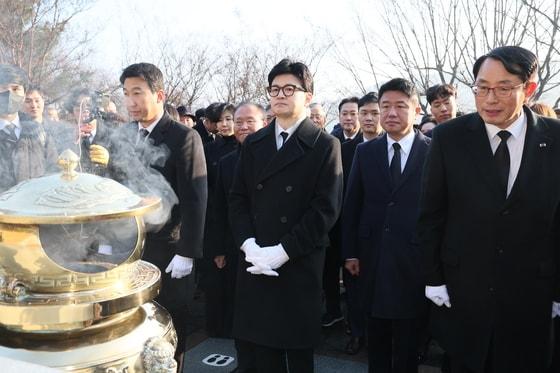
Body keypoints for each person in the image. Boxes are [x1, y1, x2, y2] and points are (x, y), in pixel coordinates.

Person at [418, 45, 560, 373]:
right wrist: (433, 278)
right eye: (482, 88)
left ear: (529, 89)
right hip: (464, 292)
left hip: (532, 297)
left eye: (503, 88)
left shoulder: (555, 140)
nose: (490, 98)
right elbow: (430, 215)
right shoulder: (448, 138)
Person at [228, 58, 343, 373]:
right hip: (255, 262)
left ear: (307, 95)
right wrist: (248, 244)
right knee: (259, 356)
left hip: (296, 263)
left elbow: (325, 210)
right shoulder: (254, 143)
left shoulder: (325, 145)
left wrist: (282, 252)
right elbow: (238, 199)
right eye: (274, 89)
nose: (279, 95)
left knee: (296, 356)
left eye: (289, 88)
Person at [119, 62, 207, 371]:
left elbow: (196, 199)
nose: (131, 101)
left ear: (159, 94)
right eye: (126, 94)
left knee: (168, 331)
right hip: (131, 248)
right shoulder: (124, 134)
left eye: (138, 93)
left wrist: (187, 252)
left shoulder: (184, 137)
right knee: (132, 325)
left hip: (170, 251)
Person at [342, 79, 430, 373]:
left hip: (414, 261)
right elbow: (352, 204)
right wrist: (350, 252)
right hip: (372, 259)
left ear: (416, 110)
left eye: (400, 106)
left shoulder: (432, 151)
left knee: (408, 343)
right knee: (376, 340)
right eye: (385, 107)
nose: (391, 113)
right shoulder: (366, 153)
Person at [206, 102, 266, 339]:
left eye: (250, 121)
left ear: (264, 124)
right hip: (234, 242)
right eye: (238, 122)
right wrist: (218, 248)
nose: (243, 127)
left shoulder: (278, 158)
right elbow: (218, 208)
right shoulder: (227, 162)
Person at [340, 91, 384, 355]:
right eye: (363, 113)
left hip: (384, 236)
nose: (367, 118)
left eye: (373, 113)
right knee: (355, 290)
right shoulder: (343, 149)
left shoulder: (393, 148)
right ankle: (357, 333)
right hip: (352, 231)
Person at [202, 102, 238, 337]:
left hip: (235, 219)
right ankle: (216, 327)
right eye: (221, 120)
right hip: (212, 218)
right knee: (214, 280)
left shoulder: (246, 149)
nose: (225, 124)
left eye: (230, 119)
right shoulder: (208, 149)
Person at [0, 64, 58, 191]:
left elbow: (55, 172)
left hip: (34, 206)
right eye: (3, 88)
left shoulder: (38, 131)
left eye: (15, 89)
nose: (9, 94)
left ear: (24, 94)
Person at [64, 88, 112, 176]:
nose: (85, 111)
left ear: (96, 109)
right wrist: (73, 143)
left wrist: (110, 161)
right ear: (73, 112)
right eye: (79, 108)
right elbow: (58, 169)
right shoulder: (65, 138)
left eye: (89, 106)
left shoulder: (113, 135)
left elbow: (126, 170)